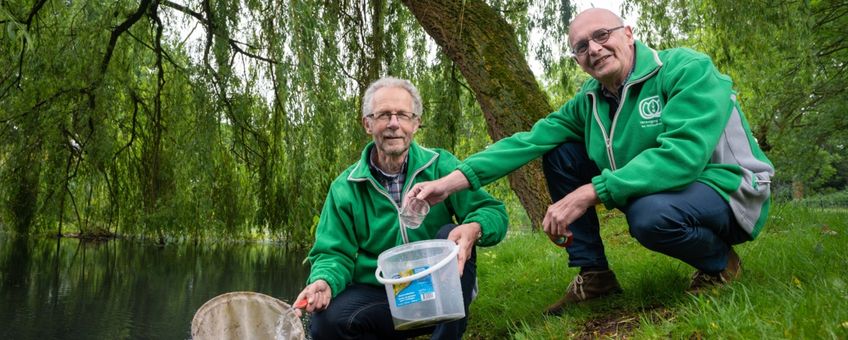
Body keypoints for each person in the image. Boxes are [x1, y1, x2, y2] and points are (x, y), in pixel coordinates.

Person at [407, 8, 774, 316]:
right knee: (560, 151)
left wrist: (590, 192)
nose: (594, 49)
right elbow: (527, 142)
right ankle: (595, 275)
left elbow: (684, 156)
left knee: (649, 216)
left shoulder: (684, 69)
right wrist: (448, 183)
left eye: (602, 35)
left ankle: (719, 263)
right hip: (669, 193)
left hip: (732, 189)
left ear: (628, 34)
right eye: (581, 47)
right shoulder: (590, 100)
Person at [294, 76, 509, 339]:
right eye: (383, 115)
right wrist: (323, 281)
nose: (393, 124)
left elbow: (493, 211)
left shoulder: (441, 166)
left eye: (403, 115)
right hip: (381, 297)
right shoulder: (345, 188)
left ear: (416, 123)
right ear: (368, 124)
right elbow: (333, 253)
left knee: (450, 234)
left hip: (440, 296)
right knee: (325, 322)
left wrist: (474, 228)